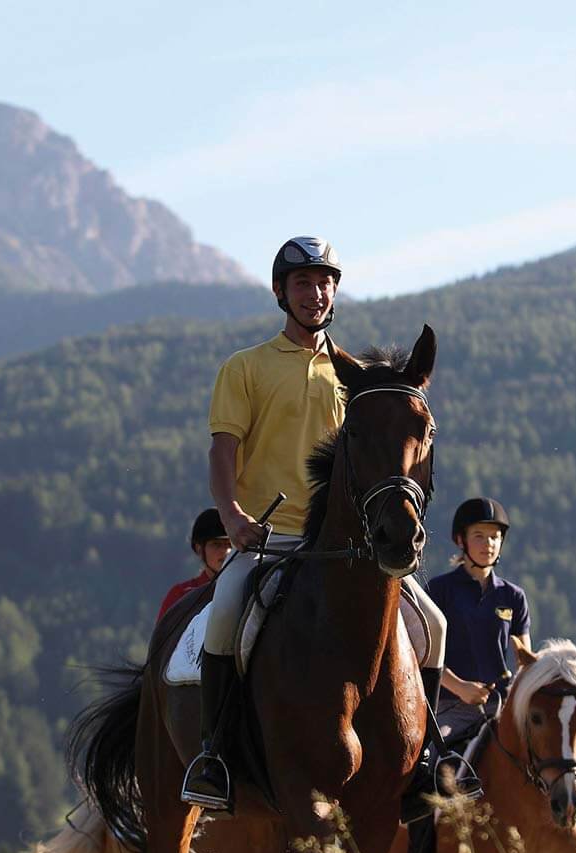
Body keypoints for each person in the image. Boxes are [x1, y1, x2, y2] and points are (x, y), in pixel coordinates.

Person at [178, 236, 450, 817]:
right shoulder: (245, 367)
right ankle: (214, 755)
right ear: (282, 292)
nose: (315, 292)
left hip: (350, 548)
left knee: (435, 622)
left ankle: (425, 756)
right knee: (225, 615)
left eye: (324, 282)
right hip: (269, 540)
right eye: (302, 283)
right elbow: (223, 452)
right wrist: (233, 518)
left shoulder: (356, 376)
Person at [427, 497, 532, 739]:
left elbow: (525, 662)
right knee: (433, 761)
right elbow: (425, 655)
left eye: (495, 537)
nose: (489, 543)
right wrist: (460, 688)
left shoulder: (513, 596)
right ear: (460, 540)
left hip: (503, 710)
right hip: (451, 708)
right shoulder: (440, 590)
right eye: (479, 536)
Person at [157, 509, 232, 622]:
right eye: (216, 544)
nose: (226, 551)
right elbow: (162, 638)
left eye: (230, 544)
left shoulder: (246, 590)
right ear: (199, 549)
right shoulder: (180, 596)